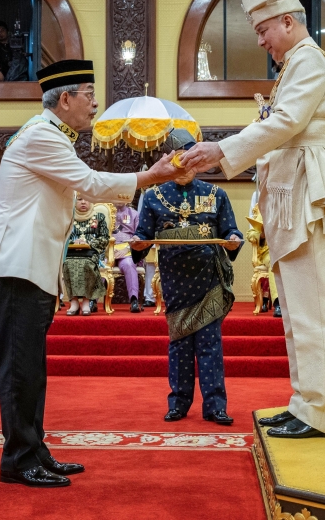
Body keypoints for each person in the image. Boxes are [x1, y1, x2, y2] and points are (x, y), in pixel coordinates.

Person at [0, 58, 182, 488]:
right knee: (20, 369)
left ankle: (32, 450)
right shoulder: (41, 136)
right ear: (66, 98)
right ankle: (18, 458)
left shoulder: (54, 137)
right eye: (89, 94)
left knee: (32, 368)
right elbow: (90, 184)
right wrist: (152, 174)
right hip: (18, 266)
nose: (95, 103)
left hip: (30, 268)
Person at [179, 0, 325, 439]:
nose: (261, 41)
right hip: (293, 197)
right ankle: (305, 404)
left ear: (288, 22)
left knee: (315, 310)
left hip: (312, 198)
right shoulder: (293, 65)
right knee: (298, 311)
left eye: (263, 30)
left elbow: (284, 125)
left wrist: (221, 149)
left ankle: (320, 413)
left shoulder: (311, 61)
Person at [131, 129, 244, 426]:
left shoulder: (216, 194)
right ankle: (179, 403)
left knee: (210, 343)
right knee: (180, 344)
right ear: (169, 162)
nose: (186, 169)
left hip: (208, 280)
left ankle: (215, 406)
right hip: (175, 281)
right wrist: (139, 244)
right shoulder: (152, 197)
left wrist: (233, 239)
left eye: (192, 162)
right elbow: (142, 235)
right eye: (180, 163)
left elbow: (231, 230)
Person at [62, 196, 109, 316]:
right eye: (79, 199)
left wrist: (89, 244)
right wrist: (73, 243)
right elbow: (62, 236)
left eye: (86, 199)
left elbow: (104, 238)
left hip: (91, 253)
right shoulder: (68, 217)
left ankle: (86, 301)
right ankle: (74, 302)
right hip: (70, 253)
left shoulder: (99, 217)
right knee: (67, 264)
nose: (83, 202)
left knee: (86, 264)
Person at [247, 198, 279, 317]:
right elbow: (250, 234)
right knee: (274, 261)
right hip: (269, 252)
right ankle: (278, 303)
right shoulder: (264, 209)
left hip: (289, 249)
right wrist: (262, 234)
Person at [113, 201, 143, 313]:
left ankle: (134, 300)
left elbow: (139, 235)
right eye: (116, 196)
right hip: (110, 249)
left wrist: (128, 249)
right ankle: (93, 300)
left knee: (129, 264)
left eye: (122, 196)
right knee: (102, 265)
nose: (119, 199)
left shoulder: (134, 214)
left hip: (127, 249)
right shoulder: (105, 212)